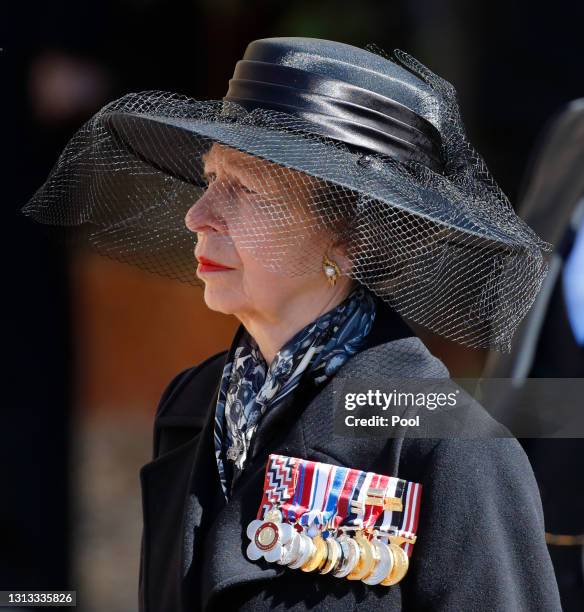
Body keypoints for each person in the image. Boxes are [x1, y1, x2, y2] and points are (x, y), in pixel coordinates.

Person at [22, 37, 562, 611]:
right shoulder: (195, 402)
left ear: (351, 236)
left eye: (246, 189)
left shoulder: (449, 445)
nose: (198, 216)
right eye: (210, 180)